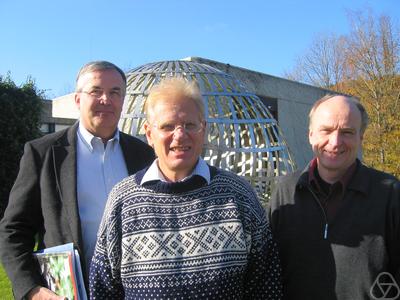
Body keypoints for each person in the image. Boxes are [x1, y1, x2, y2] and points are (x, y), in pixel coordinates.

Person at [89, 77, 283, 299]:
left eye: (190, 125)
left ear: (204, 129)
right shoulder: (123, 200)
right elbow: (104, 289)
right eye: (167, 126)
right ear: (149, 133)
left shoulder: (238, 195)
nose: (180, 135)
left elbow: (265, 286)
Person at [0, 61, 155, 300]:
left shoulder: (144, 154)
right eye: (96, 91)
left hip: (135, 291)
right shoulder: (43, 153)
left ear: (123, 100)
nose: (106, 99)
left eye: (115, 92)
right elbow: (12, 231)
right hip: (69, 293)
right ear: (77, 99)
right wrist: (32, 290)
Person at [269, 94, 400, 299]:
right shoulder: (286, 191)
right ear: (311, 135)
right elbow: (269, 269)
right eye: (326, 130)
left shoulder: (390, 193)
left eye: (347, 132)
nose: (336, 141)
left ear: (361, 138)